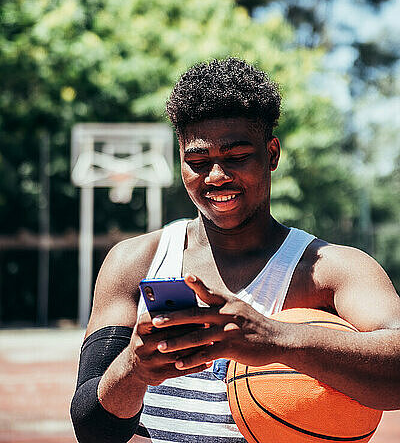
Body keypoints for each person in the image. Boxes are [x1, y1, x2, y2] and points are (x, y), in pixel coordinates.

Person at [70, 57, 400, 443]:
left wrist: (276, 338)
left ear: (271, 154)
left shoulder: (332, 269)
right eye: (196, 161)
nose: (216, 176)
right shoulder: (138, 262)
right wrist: (135, 368)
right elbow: (92, 429)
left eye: (236, 157)